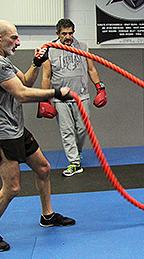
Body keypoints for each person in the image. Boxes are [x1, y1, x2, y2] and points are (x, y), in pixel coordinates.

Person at [0, 20, 76, 252]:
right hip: (0, 135)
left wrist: (36, 63)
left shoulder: (3, 61)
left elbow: (26, 81)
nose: (18, 42)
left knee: (43, 168)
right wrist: (56, 93)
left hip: (16, 130)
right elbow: (21, 94)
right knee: (12, 188)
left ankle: (47, 216)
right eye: (14, 38)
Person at [38, 18, 107, 177]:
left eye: (70, 33)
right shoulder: (50, 49)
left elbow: (91, 69)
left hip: (81, 96)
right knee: (67, 130)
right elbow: (46, 76)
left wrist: (99, 87)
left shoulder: (82, 47)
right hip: (60, 99)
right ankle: (74, 163)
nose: (68, 37)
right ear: (57, 34)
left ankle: (77, 152)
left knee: (82, 129)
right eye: (64, 34)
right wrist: (44, 98)